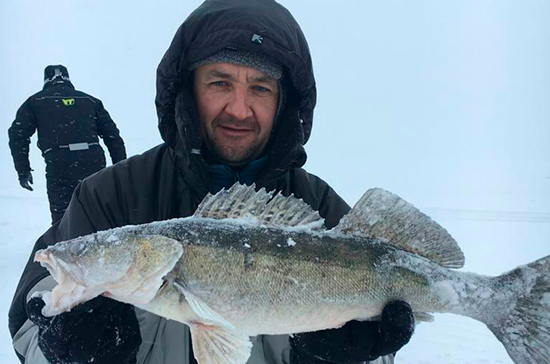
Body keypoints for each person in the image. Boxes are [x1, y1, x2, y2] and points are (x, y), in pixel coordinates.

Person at [8, 1, 415, 363]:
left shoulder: (325, 212)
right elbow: (30, 330)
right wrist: (63, 349)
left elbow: (384, 339)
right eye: (220, 83)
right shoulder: (107, 198)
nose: (239, 108)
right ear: (188, 91)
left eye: (260, 87)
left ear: (284, 103)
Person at [7, 65, 127, 224]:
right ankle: (103, 244)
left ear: (46, 80)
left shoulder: (35, 101)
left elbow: (17, 135)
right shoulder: (90, 100)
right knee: (98, 212)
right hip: (93, 160)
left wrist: (23, 170)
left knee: (63, 219)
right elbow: (113, 137)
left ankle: (65, 244)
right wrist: (120, 167)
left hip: (59, 163)